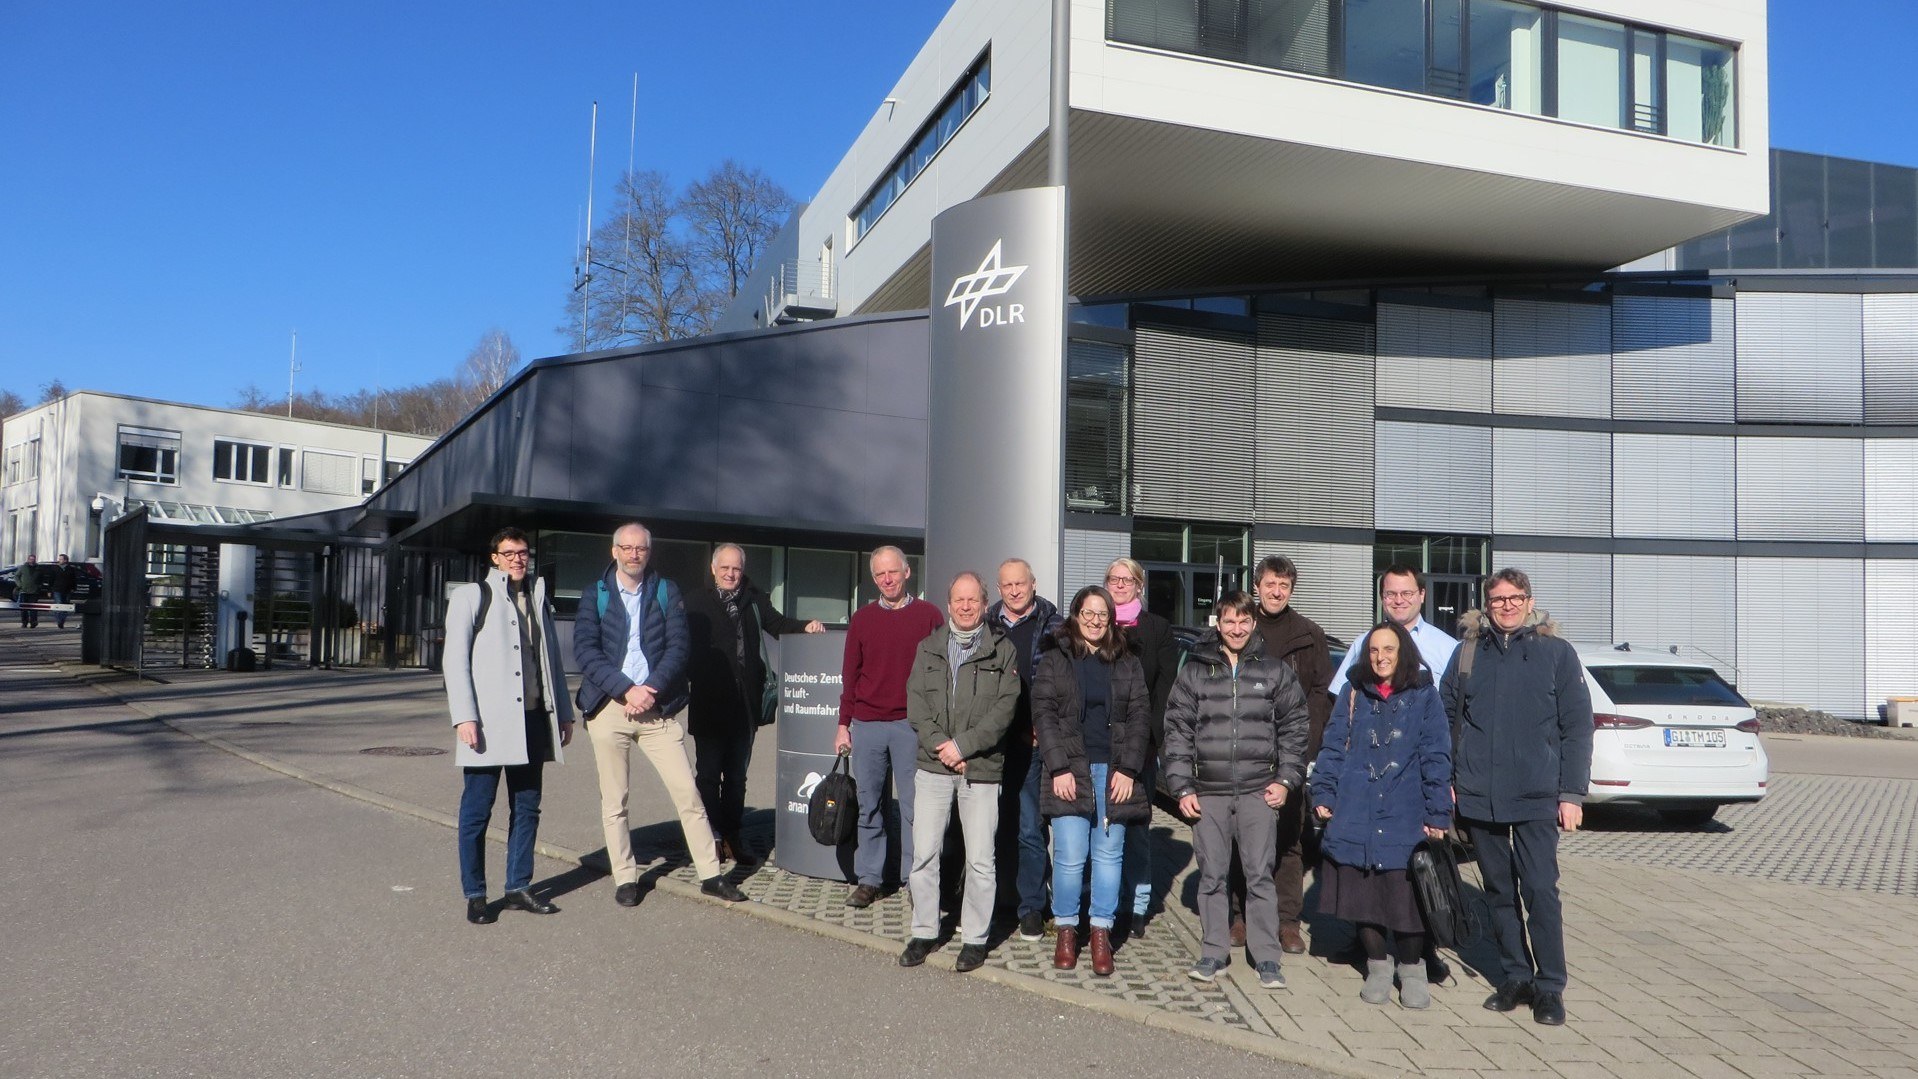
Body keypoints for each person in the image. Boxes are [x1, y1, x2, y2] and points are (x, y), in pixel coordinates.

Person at [1441, 568, 1593, 1026]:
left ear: (1530, 602)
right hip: (1478, 794)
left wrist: (1571, 794)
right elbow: (1448, 717)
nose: (1506, 606)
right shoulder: (1467, 653)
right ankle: (1515, 977)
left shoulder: (1556, 654)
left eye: (1515, 598)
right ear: (1485, 606)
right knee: (1498, 891)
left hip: (1536, 795)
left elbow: (1577, 727)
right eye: (1498, 599)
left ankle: (1549, 987)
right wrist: (1447, 778)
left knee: (1541, 891)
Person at [574, 522, 747, 908]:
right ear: (614, 550)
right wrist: (625, 689)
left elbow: (678, 648)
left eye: (641, 549)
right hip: (609, 707)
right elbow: (586, 651)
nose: (634, 554)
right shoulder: (595, 594)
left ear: (649, 553)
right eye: (627, 547)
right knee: (615, 800)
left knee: (688, 793)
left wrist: (648, 689)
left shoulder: (666, 592)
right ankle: (625, 877)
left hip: (657, 708)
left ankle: (710, 875)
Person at [1163, 591, 1308, 991]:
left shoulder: (1274, 670)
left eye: (1244, 621)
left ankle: (1266, 957)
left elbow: (1296, 726)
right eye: (1230, 621)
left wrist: (1285, 780)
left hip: (1257, 792)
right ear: (1218, 623)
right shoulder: (1195, 671)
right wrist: (1181, 786)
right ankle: (1213, 951)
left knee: (1260, 875)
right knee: (1211, 874)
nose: (1237, 629)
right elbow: (1177, 731)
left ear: (1253, 624)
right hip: (1207, 792)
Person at [1312, 620, 1453, 1009]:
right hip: (1355, 805)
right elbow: (1332, 746)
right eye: (1374, 650)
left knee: (1406, 898)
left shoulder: (1425, 694)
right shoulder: (1353, 691)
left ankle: (1411, 970)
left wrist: (1439, 812)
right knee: (1364, 897)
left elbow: (1436, 755)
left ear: (1403, 651)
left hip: (1405, 810)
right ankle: (1377, 965)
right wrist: (1323, 791)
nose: (1380, 657)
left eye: (1389, 649)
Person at [444, 528, 575, 924]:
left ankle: (518, 886)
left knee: (527, 807)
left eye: (523, 552)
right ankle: (476, 894)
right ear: (494, 557)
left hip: (532, 720)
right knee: (477, 811)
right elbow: (454, 661)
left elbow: (551, 657)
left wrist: (564, 712)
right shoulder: (471, 596)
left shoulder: (537, 597)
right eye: (510, 553)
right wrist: (464, 716)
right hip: (486, 725)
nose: (518, 559)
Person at [899, 573, 1022, 973]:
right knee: (924, 855)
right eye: (958, 600)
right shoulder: (928, 648)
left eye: (973, 600)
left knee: (982, 860)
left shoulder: (1002, 650)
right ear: (948, 604)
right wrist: (943, 746)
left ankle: (974, 938)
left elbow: (1004, 710)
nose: (966, 606)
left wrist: (963, 747)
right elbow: (915, 704)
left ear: (984, 604)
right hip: (933, 766)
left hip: (980, 768)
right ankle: (924, 930)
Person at [1032, 585, 1152, 976]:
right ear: (1075, 614)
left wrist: (1129, 769)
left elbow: (1139, 716)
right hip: (1069, 769)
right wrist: (1058, 767)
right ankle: (1067, 929)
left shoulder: (1127, 660)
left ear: (1112, 619)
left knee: (1108, 856)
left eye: (1103, 614)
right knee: (1068, 858)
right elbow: (1044, 715)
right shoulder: (1055, 657)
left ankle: (1101, 931)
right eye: (1089, 613)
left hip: (1114, 771)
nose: (1096, 620)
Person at [683, 543, 823, 867]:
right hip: (709, 705)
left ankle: (732, 838)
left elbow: (777, 624)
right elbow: (682, 648)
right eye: (725, 568)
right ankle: (709, 840)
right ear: (713, 570)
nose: (731, 574)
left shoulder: (754, 598)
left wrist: (806, 626)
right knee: (707, 775)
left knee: (736, 778)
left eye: (736, 569)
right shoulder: (695, 602)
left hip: (744, 707)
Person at [835, 546, 945, 907]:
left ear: (907, 572)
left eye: (893, 572)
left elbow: (943, 672)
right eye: (880, 574)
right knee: (869, 805)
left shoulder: (929, 616)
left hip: (910, 725)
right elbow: (849, 675)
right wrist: (843, 724)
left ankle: (916, 880)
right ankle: (870, 878)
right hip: (867, 724)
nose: (887, 579)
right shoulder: (863, 619)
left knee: (916, 809)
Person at [1247, 554, 1333, 955]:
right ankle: (1237, 915)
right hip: (1244, 753)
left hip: (1289, 756)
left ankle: (1287, 922)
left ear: (1291, 590)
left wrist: (1306, 747)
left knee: (1288, 840)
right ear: (1257, 586)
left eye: (1284, 585)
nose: (1276, 591)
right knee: (1240, 838)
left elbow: (1319, 696)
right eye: (1270, 584)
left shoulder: (1309, 634)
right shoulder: (1240, 626)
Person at [1102, 557, 1179, 937]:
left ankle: (1136, 904)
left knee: (1134, 825)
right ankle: (1100, 900)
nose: (1119, 585)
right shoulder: (1093, 621)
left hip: (1140, 747)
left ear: (1139, 586)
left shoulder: (1158, 629)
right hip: (1097, 744)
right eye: (1113, 579)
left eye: (1126, 579)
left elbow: (1164, 691)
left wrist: (1149, 740)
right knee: (1097, 826)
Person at [1330, 565, 1458, 696]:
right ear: (1381, 597)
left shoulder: (1448, 648)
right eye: (1390, 594)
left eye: (1406, 593)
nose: (1398, 600)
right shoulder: (1363, 643)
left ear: (1422, 595)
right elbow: (1340, 697)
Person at [49, 554, 79, 630]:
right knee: (58, 604)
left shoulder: (70, 569)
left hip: (67, 590)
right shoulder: (54, 568)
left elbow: (73, 579)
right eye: (59, 559)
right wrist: (49, 590)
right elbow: (50, 580)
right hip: (57, 590)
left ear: (65, 560)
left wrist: (74, 588)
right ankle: (59, 620)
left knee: (66, 606)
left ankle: (62, 621)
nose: (60, 560)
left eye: (61, 559)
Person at [15, 554, 40, 628]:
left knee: (34, 608)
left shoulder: (39, 568)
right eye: (30, 559)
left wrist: (39, 586)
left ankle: (33, 622)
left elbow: (42, 578)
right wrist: (19, 584)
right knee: (24, 608)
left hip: (34, 591)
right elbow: (16, 576)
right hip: (24, 591)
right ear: (28, 559)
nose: (32, 560)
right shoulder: (23, 567)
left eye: (33, 559)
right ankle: (24, 622)